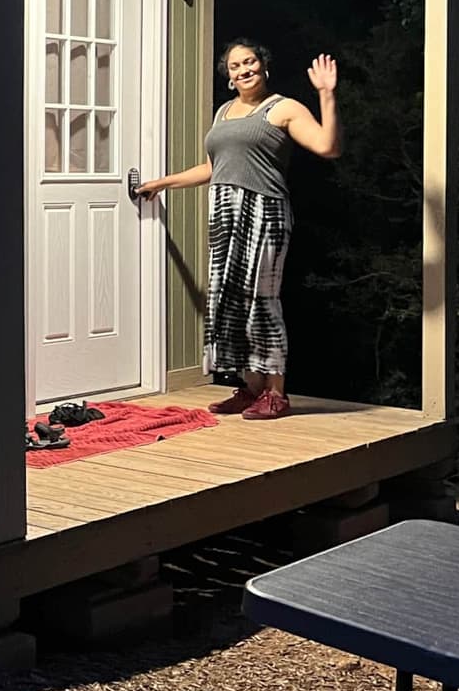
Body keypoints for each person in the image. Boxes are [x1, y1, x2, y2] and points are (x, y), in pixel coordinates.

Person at [135, 40, 341, 420]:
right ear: (228, 77)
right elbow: (215, 167)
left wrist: (326, 94)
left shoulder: (282, 108)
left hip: (264, 210)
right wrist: (161, 183)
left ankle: (276, 392)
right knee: (230, 302)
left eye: (250, 62)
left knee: (262, 300)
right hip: (224, 211)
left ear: (264, 66)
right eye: (235, 66)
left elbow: (328, 146)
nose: (243, 70)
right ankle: (251, 388)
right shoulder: (225, 112)